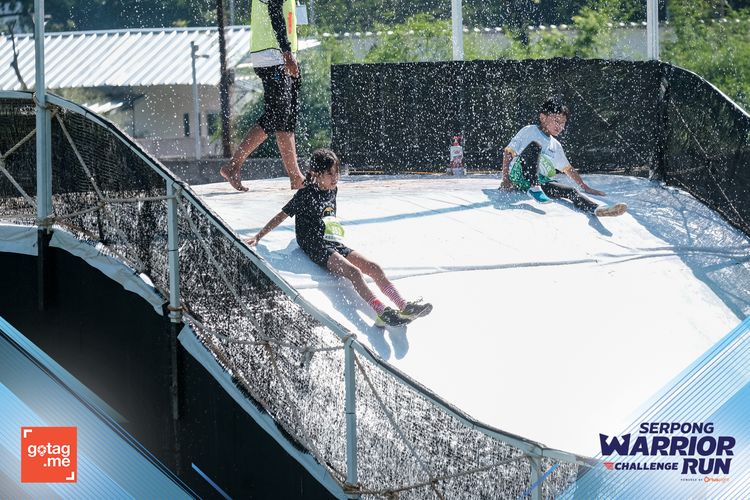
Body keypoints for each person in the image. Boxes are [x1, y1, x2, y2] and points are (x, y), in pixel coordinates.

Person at [246, 149, 433, 327]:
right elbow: (282, 215)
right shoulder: (305, 194)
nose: (335, 177)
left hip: (332, 241)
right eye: (329, 173)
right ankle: (382, 312)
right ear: (316, 173)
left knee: (374, 267)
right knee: (354, 272)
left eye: (336, 172)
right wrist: (258, 236)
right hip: (315, 245)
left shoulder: (333, 190)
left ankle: (404, 306)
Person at [219, 0, 306, 192]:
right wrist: (286, 52)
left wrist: (290, 53)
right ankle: (233, 165)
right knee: (276, 115)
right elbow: (275, 10)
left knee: (286, 117)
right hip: (272, 56)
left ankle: (296, 177)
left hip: (283, 55)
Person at [499, 96, 627, 217]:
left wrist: (585, 187)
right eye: (557, 121)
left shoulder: (556, 146)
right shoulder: (530, 130)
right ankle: (534, 188)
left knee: (570, 191)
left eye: (563, 123)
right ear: (543, 117)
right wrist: (505, 179)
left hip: (540, 182)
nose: (560, 126)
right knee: (535, 146)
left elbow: (568, 169)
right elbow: (508, 152)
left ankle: (596, 209)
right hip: (519, 175)